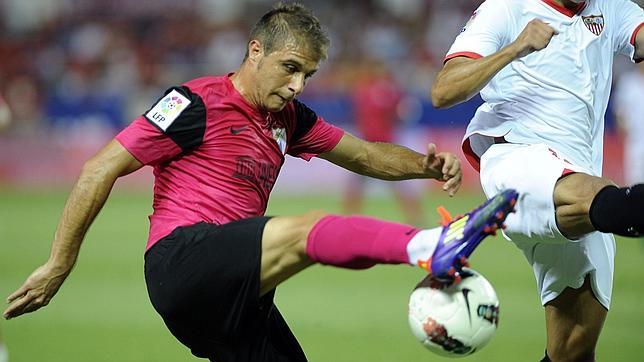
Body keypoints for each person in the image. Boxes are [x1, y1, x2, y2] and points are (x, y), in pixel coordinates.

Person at [3, 3, 518, 361]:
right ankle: (432, 245)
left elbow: (363, 154)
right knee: (304, 231)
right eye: (290, 68)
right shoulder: (195, 102)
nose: (296, 84)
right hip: (184, 260)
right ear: (255, 51)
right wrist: (59, 263)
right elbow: (99, 167)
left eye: (307, 75)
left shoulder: (289, 118)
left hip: (239, 293)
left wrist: (424, 166)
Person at [431, 0, 644, 361]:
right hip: (518, 162)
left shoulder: (612, 7)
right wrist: (515, 48)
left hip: (582, 180)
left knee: (572, 352)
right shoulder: (506, 8)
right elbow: (443, 90)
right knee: (622, 206)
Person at [343, 58, 425, 225]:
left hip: (375, 145)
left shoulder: (366, 91)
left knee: (391, 182)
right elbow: (402, 113)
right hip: (373, 144)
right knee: (393, 182)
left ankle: (348, 218)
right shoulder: (387, 91)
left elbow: (359, 114)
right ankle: (415, 217)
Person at [614, 61, 644, 185]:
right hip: (635, 142)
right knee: (635, 183)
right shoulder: (627, 82)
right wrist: (623, 128)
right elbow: (619, 111)